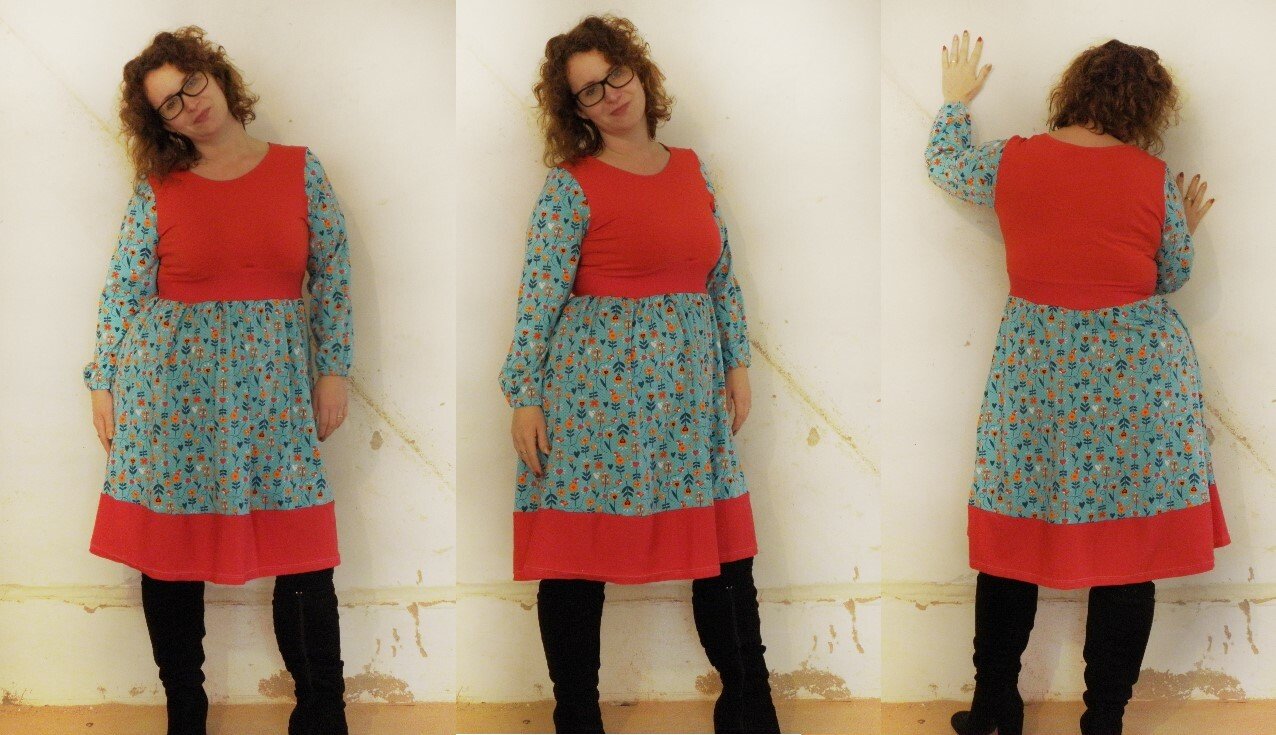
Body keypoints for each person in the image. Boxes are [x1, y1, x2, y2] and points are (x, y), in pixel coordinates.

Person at [926, 32, 1228, 735]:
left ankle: (996, 707)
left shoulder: (1013, 159)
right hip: (1138, 378)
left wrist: (954, 102)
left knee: (1012, 539)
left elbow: (946, 164)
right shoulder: (1152, 177)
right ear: (1145, 108)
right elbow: (1168, 275)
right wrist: (1181, 225)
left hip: (1037, 370)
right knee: (1129, 552)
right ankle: (1104, 721)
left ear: (1074, 90)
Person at [498, 15, 779, 735]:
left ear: (639, 73)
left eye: (615, 75)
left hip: (688, 396)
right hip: (593, 399)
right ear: (577, 110)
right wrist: (524, 396)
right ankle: (576, 718)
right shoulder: (570, 187)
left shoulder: (691, 168)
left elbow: (720, 277)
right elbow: (538, 297)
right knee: (575, 560)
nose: (610, 94)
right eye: (589, 90)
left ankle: (749, 711)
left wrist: (737, 362)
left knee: (723, 553)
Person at [84, 27, 354, 735]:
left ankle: (322, 711)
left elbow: (333, 277)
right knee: (170, 556)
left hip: (274, 395)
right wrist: (102, 380)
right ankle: (186, 710)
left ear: (217, 76)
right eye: (169, 104)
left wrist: (334, 370)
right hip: (169, 395)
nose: (189, 105)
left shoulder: (300, 169)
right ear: (161, 124)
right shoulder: (159, 189)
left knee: (303, 554)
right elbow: (124, 290)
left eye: (191, 84)